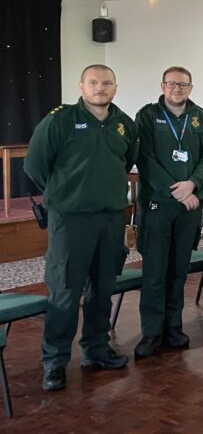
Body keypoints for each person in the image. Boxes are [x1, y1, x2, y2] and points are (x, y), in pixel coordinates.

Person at [24, 64, 137, 391]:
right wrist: (64, 192)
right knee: (65, 290)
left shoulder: (123, 124)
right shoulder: (59, 120)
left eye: (106, 83)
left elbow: (127, 161)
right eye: (93, 82)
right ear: (82, 86)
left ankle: (96, 349)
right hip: (71, 220)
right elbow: (34, 164)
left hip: (111, 218)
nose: (100, 88)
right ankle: (55, 361)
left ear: (115, 86)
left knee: (102, 288)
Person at [134, 66, 203, 358]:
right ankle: (151, 333)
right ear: (162, 85)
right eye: (171, 84)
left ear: (191, 88)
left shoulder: (201, 118)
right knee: (155, 272)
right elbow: (143, 158)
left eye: (182, 85)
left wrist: (193, 184)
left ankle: (173, 328)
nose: (177, 89)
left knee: (178, 271)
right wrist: (175, 190)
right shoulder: (147, 116)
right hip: (159, 205)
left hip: (190, 206)